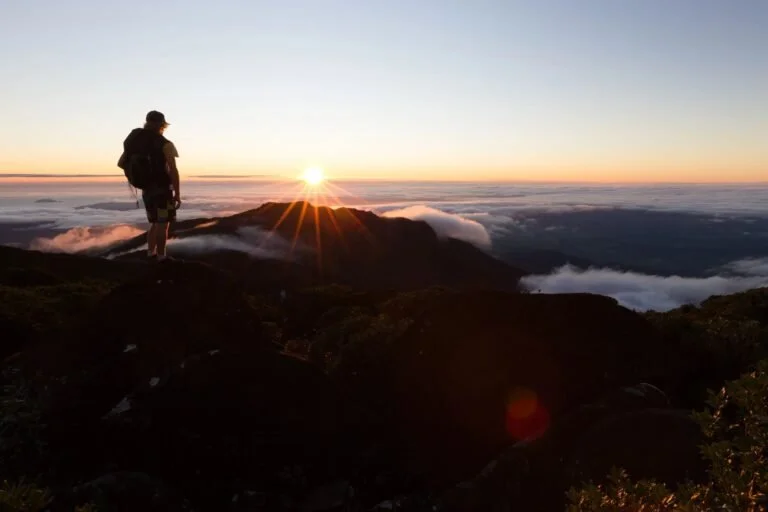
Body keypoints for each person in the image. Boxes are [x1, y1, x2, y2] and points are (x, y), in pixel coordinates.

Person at [121, 110, 181, 262]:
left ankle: (150, 253)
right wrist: (177, 194)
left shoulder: (135, 142)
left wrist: (137, 177)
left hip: (146, 189)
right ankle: (161, 257)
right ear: (162, 125)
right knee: (163, 224)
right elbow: (173, 170)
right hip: (163, 189)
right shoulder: (165, 144)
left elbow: (121, 163)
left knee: (154, 223)